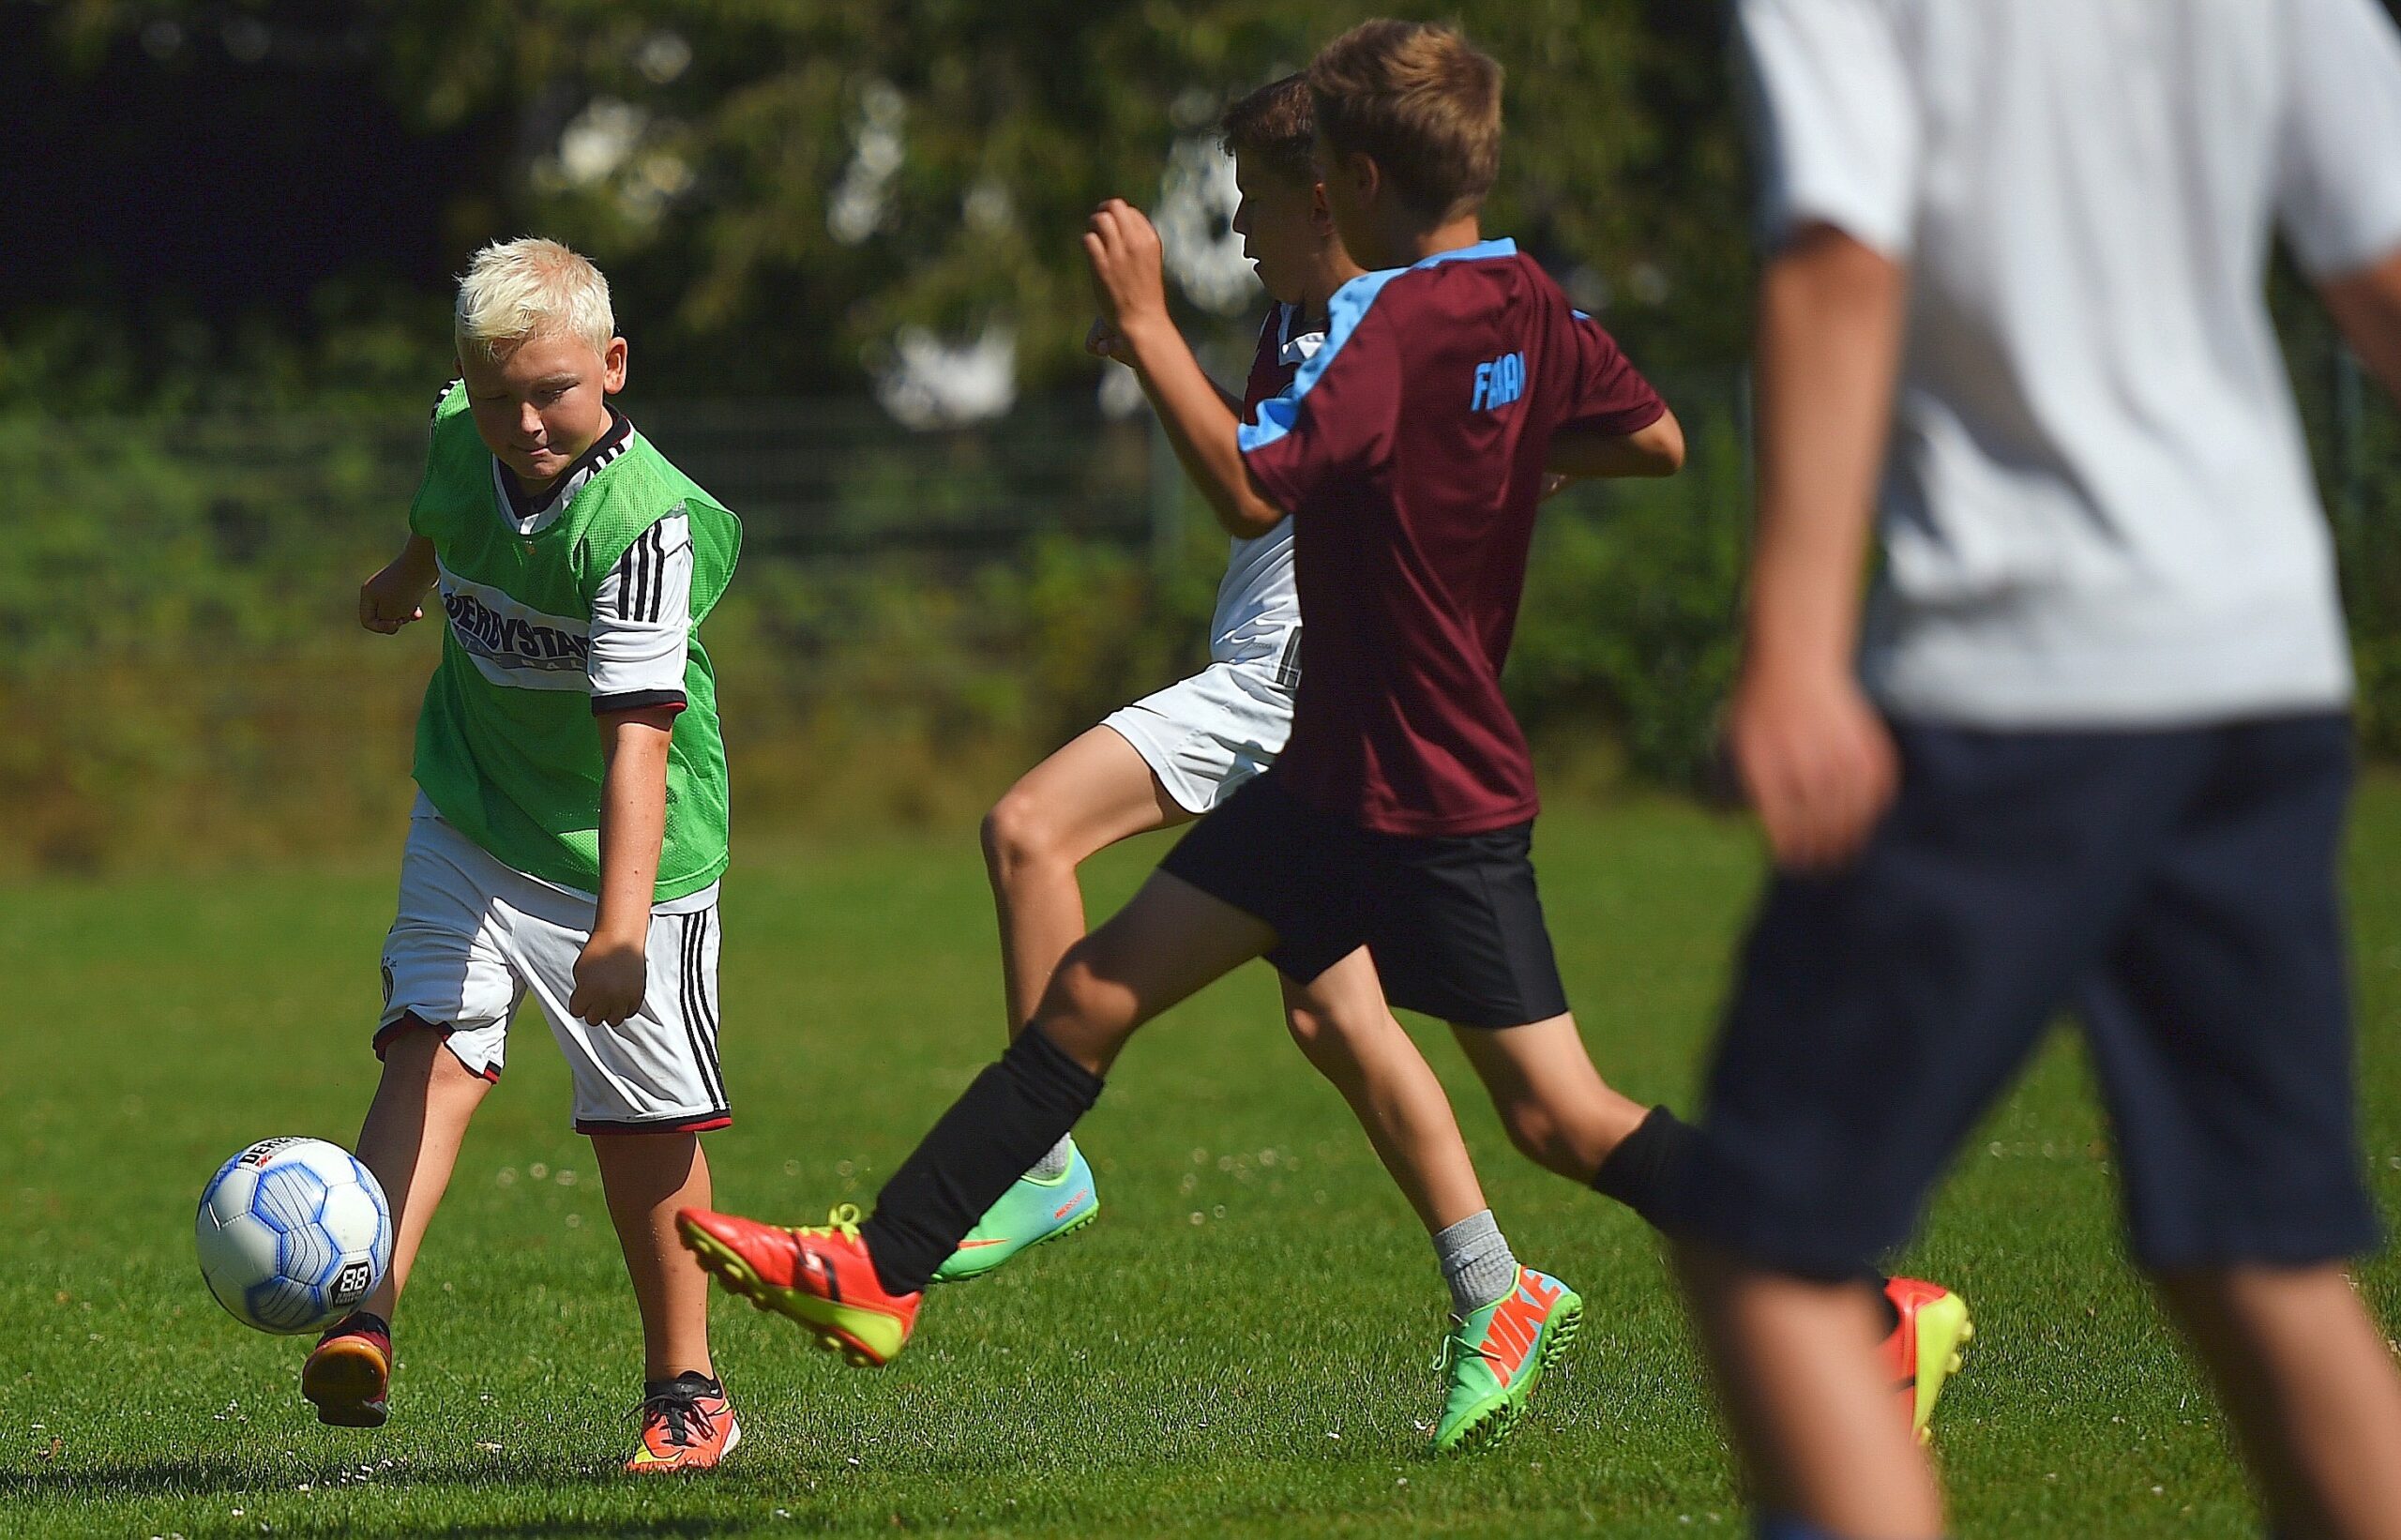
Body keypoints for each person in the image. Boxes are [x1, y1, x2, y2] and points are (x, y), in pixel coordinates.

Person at [676, 22, 1930, 1459]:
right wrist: (1485, 461)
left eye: (1307, 173)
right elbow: (1655, 438)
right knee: (1093, 988)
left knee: (1561, 1115)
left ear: (1360, 178)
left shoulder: (1385, 328)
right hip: (1338, 773)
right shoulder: (1526, 297)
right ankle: (886, 1268)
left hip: (1431, 792)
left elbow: (1254, 492)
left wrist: (1150, 327)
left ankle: (1865, 1302)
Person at [1675, 1, 2401, 1534]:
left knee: (1772, 1243)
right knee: (2257, 1254)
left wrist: (1795, 645)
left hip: (2017, 669)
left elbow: (1840, 253)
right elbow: (2382, 270)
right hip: (2258, 652)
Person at [953, 71, 1583, 1453]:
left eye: (1248, 188)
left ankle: (1038, 1156)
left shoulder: (1385, 326)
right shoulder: (1309, 322)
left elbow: (1306, 468)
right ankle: (1501, 1284)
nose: (1231, 218)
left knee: (1028, 830)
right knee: (1335, 1016)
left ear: (1332, 191)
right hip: (1305, 701)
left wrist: (1153, 333)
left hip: (1281, 686)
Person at [306, 236, 747, 1473]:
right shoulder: (464, 430)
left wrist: (617, 930)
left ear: (612, 366)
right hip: (472, 808)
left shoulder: (642, 526)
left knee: (643, 1123)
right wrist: (399, 582)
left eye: (550, 391)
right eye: (497, 394)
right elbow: (445, 515)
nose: (522, 420)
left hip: (633, 854)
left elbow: (638, 752)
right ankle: (365, 1316)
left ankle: (687, 1392)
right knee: (428, 1047)